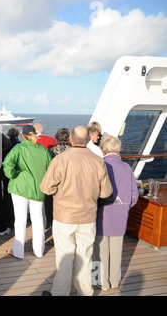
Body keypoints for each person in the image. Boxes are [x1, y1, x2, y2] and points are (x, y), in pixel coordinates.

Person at [40, 126, 113, 296]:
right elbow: (106, 193)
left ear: (71, 140)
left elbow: (46, 188)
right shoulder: (98, 161)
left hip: (64, 217)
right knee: (85, 257)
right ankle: (84, 292)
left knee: (64, 257)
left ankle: (60, 293)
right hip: (88, 217)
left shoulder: (60, 160)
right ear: (88, 140)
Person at [94, 136, 139, 291]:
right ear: (118, 150)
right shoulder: (127, 167)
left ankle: (101, 282)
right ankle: (115, 281)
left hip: (102, 211)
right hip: (121, 211)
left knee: (99, 249)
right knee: (116, 248)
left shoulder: (100, 165)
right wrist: (125, 206)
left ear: (103, 149)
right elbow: (134, 194)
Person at [2, 125, 51, 259]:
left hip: (20, 187)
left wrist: (13, 175)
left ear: (22, 136)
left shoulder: (19, 148)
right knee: (38, 219)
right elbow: (50, 169)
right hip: (38, 188)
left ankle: (18, 252)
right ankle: (39, 251)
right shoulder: (43, 150)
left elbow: (7, 164)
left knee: (20, 219)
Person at [46, 127, 71, 228]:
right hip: (70, 183)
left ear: (57, 138)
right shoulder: (73, 151)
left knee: (53, 206)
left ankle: (51, 224)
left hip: (56, 182)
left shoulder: (52, 151)